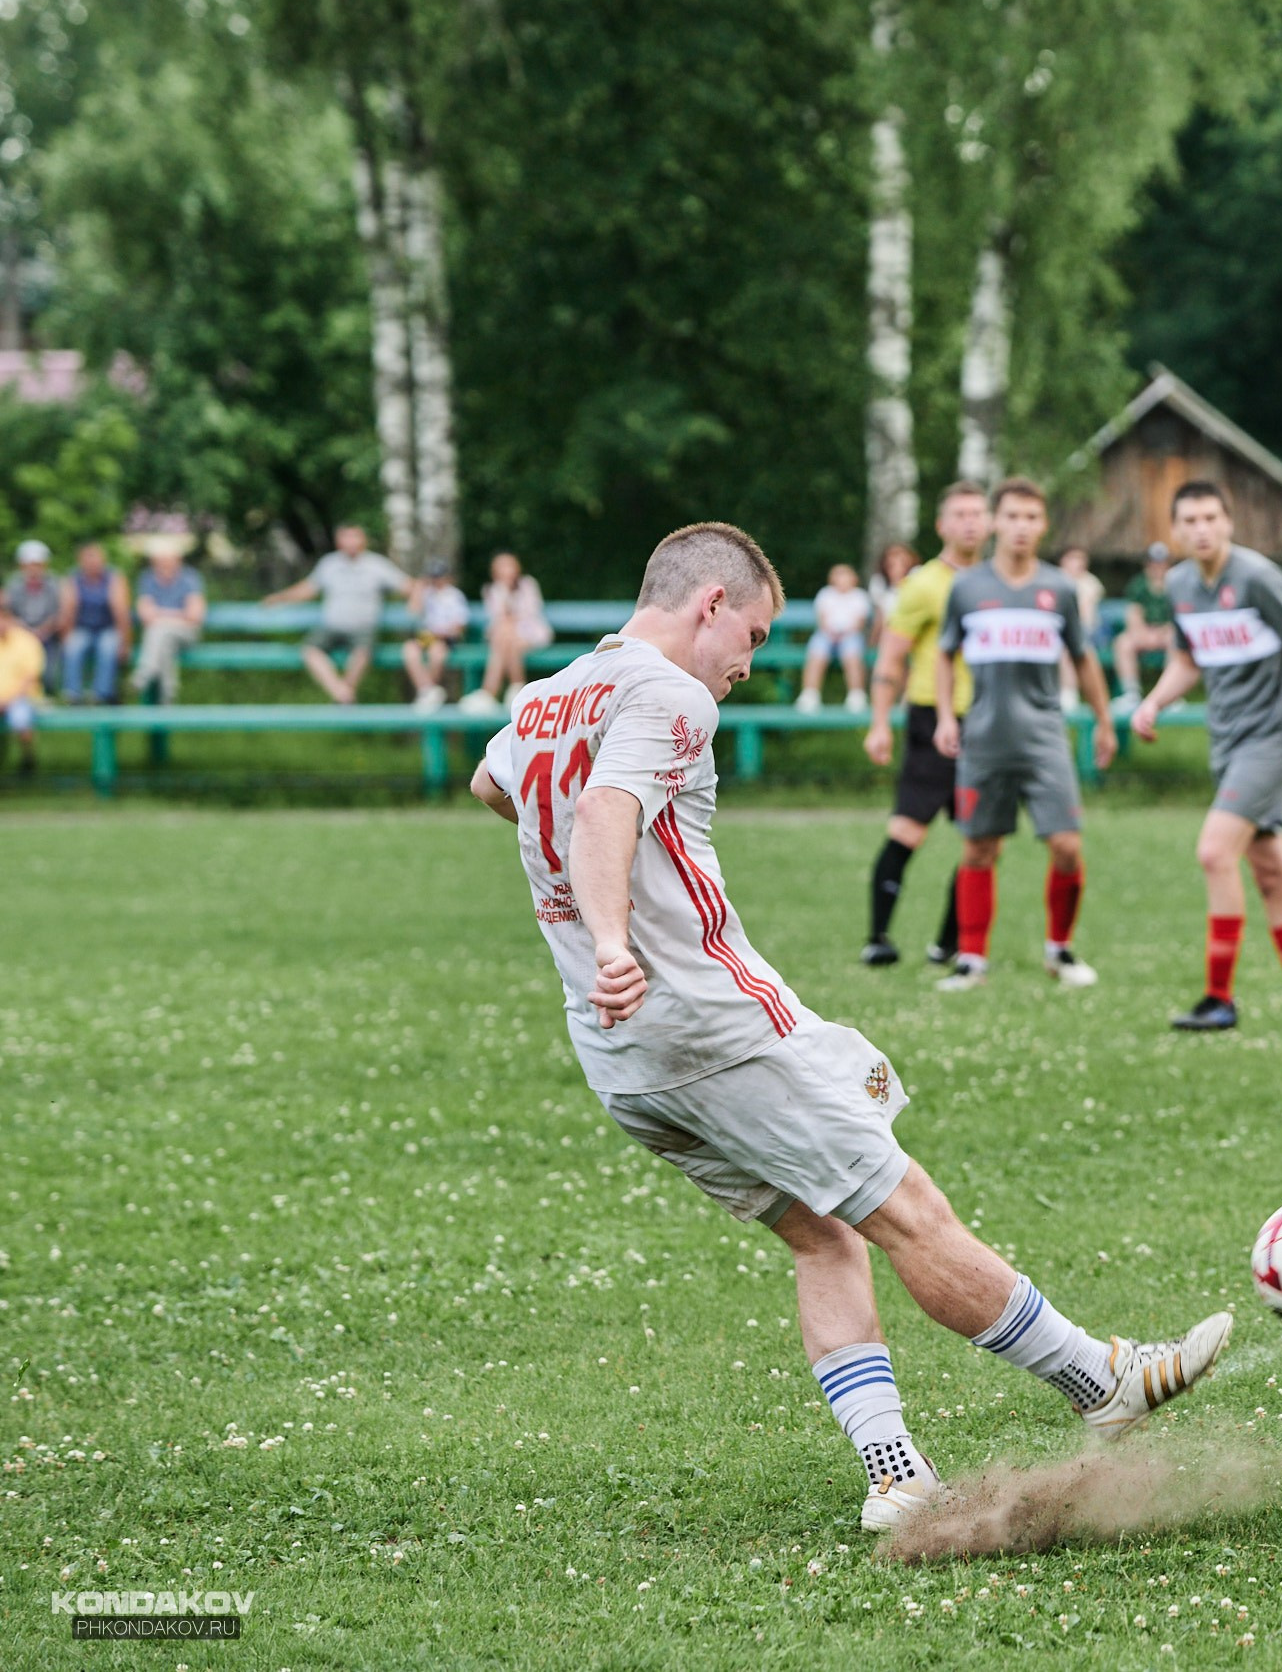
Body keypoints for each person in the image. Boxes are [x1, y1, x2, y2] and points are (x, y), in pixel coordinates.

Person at [466, 520, 1229, 1532]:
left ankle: (897, 1473)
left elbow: (495, 784)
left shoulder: (548, 694)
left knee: (824, 1237)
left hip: (622, 1060)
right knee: (905, 1207)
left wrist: (589, 919)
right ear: (711, 605)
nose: (751, 662)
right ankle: (1103, 1380)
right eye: (755, 635)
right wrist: (615, 935)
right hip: (708, 1026)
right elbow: (608, 808)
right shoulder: (670, 692)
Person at [1131, 481, 1282, 1032]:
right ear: (1176, 530)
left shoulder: (1256, 577)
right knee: (1272, 872)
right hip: (1227, 743)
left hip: (1271, 740)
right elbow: (1188, 659)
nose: (1201, 529)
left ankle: (1218, 998)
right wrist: (1154, 701)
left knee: (1213, 852)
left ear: (1229, 522)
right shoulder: (1180, 583)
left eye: (1211, 518)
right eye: (1190, 521)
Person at [930, 478, 1117, 991]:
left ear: (1044, 525)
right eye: (1011, 516)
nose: (1021, 527)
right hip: (985, 740)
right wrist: (948, 716)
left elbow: (1084, 659)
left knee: (1066, 846)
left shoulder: (1059, 589)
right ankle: (972, 959)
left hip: (1044, 739)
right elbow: (944, 655)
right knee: (978, 849)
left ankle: (1060, 950)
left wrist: (1104, 722)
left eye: (1031, 517)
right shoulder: (967, 588)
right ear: (995, 522)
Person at [861, 484, 988, 968]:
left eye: (978, 513)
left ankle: (950, 943)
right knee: (909, 830)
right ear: (942, 525)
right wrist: (879, 723)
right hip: (929, 718)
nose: (970, 522)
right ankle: (878, 937)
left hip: (987, 723)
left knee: (981, 838)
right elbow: (891, 657)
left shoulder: (1000, 583)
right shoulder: (923, 585)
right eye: (960, 514)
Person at [264, 524, 407, 705]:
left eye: (354, 536)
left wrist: (426, 596)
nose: (351, 542)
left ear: (363, 540)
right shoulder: (329, 563)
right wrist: (280, 598)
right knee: (310, 650)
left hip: (362, 627)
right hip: (332, 626)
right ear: (339, 541)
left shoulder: (377, 565)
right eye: (346, 537)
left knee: (363, 653)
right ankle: (343, 694)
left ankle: (343, 696)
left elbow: (406, 586)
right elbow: (308, 589)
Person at [464, 551, 554, 711]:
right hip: (506, 636)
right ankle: (516, 687)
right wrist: (504, 591)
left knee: (504, 636)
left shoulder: (528, 584)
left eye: (509, 565)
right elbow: (498, 615)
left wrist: (511, 619)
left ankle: (489, 692)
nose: (507, 570)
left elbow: (531, 611)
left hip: (530, 632)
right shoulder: (492, 590)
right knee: (506, 636)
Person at [129, 541, 207, 705]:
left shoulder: (190, 578)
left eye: (168, 560)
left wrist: (161, 615)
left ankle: (145, 673)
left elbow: (195, 615)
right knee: (164, 642)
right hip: (165, 637)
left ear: (178, 561)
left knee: (159, 629)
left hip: (187, 634)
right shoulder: (148, 578)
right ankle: (168, 696)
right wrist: (178, 615)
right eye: (160, 561)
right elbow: (145, 615)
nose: (164, 565)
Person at [58, 541, 129, 705]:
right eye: (87, 558)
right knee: (73, 646)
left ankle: (102, 694)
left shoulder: (114, 578)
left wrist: (125, 642)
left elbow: (121, 613)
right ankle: (72, 694)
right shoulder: (73, 578)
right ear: (80, 561)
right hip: (82, 627)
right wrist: (65, 638)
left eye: (95, 558)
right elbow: (68, 611)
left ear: (103, 559)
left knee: (108, 646)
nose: (92, 563)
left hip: (107, 627)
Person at [797, 562, 873, 714]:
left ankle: (856, 694)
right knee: (817, 652)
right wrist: (831, 632)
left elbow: (860, 622)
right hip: (827, 633)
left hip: (850, 634)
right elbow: (822, 619)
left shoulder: (860, 596)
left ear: (854, 579)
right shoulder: (825, 594)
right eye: (838, 575)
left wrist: (843, 633)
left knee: (852, 654)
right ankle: (810, 694)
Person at [402, 560, 472, 712]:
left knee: (436, 653)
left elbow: (460, 624)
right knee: (409, 650)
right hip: (428, 635)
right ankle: (428, 689)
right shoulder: (427, 593)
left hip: (446, 636)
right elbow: (412, 611)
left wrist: (445, 632)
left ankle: (428, 692)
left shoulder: (454, 595)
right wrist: (418, 589)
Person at [1113, 542, 1178, 704]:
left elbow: (1181, 615)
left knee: (1176, 641)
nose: (1158, 567)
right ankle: (1131, 693)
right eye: (1154, 563)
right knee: (1122, 643)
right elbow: (1133, 614)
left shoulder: (1177, 584)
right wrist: (1144, 633)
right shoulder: (1138, 585)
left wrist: (1164, 630)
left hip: (1167, 633)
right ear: (1147, 564)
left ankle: (1172, 694)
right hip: (1144, 633)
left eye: (1162, 563)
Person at [1055, 546, 1106, 714]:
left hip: (1087, 632)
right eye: (1073, 558)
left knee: (1068, 649)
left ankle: (1069, 694)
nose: (1078, 562)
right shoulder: (1053, 580)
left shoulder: (1090, 583)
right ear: (1063, 561)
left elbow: (1084, 616)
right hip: (1058, 633)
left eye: (1081, 558)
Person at [7, 540, 62, 696]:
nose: (33, 568)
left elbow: (60, 612)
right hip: (20, 634)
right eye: (29, 564)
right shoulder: (14, 585)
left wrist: (43, 630)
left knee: (50, 672)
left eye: (37, 564)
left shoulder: (54, 583)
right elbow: (9, 613)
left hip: (49, 635)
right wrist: (26, 631)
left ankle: (51, 696)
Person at [0, 596, 42, 774]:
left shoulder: (27, 641)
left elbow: (29, 679)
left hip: (21, 699)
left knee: (20, 717)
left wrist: (6, 701)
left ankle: (27, 759)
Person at [867, 542, 917, 641]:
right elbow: (879, 614)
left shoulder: (917, 573)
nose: (897, 559)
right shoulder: (878, 581)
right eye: (893, 556)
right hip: (888, 627)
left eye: (900, 556)